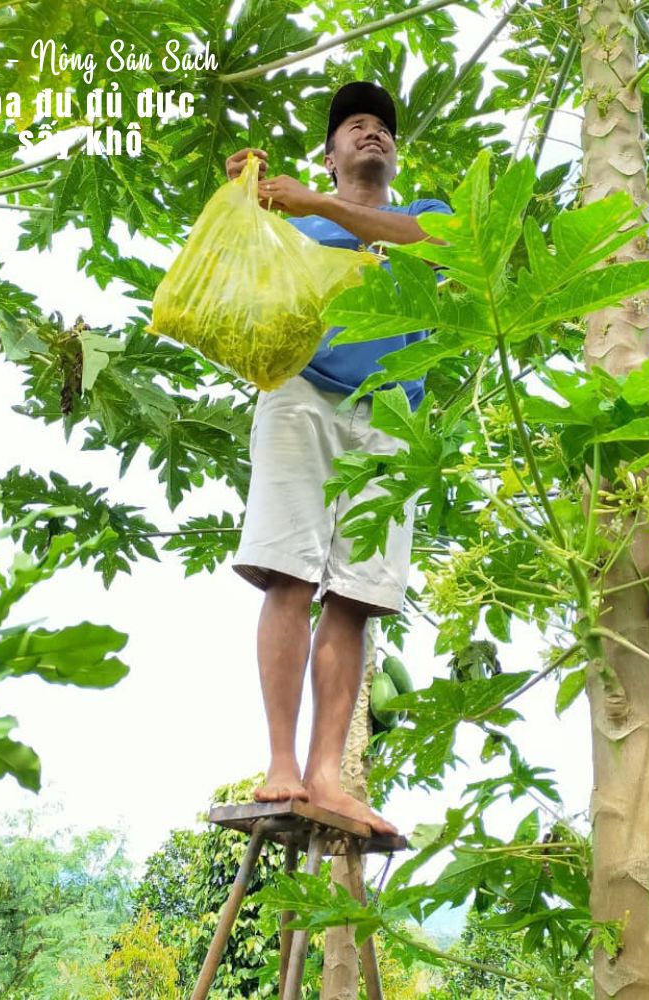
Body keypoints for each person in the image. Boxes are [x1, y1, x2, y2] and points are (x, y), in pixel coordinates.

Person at [227, 82, 453, 836]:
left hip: (392, 411)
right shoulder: (289, 225)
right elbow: (234, 276)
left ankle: (327, 771)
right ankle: (283, 765)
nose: (372, 133)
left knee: (357, 596)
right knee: (289, 573)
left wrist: (312, 205)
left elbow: (436, 251)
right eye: (355, 125)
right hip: (302, 394)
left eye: (383, 128)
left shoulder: (423, 217)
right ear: (326, 156)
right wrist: (245, 201)